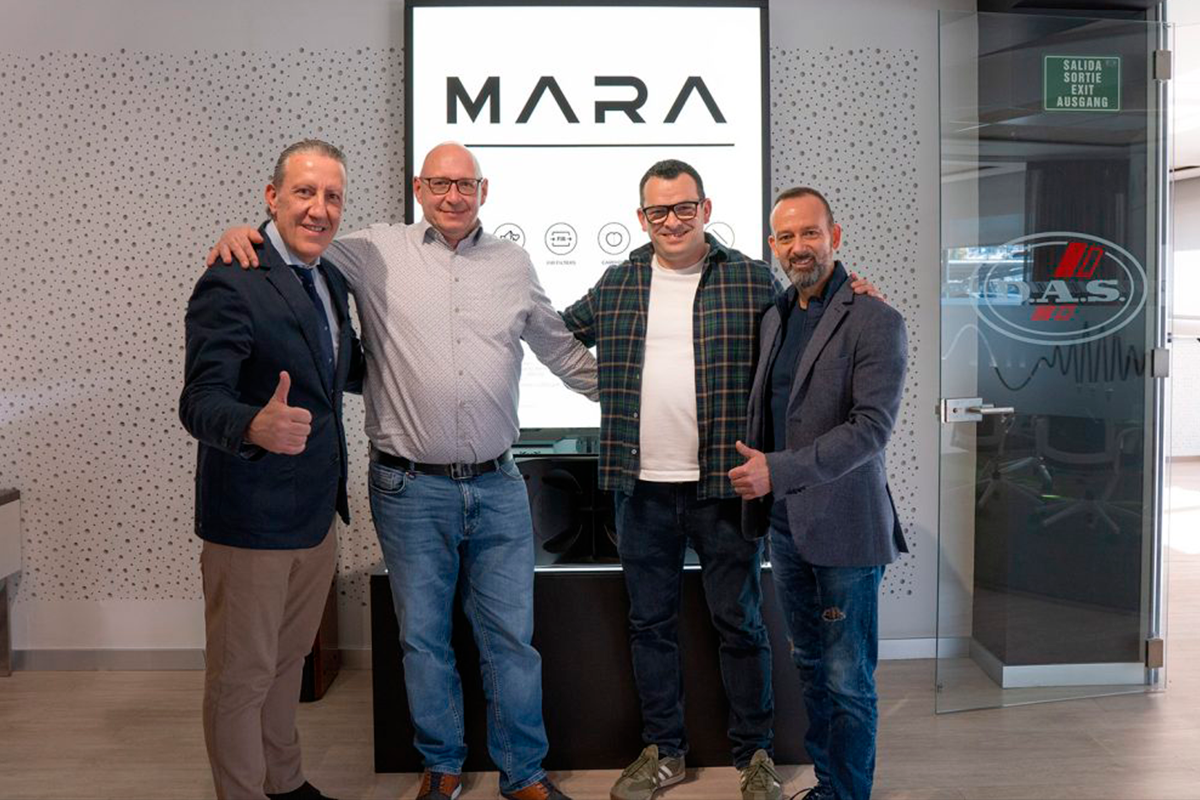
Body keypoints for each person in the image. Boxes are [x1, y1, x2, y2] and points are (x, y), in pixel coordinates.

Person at [206, 142, 594, 800]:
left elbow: (562, 353)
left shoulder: (514, 263)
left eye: (465, 184)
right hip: (409, 488)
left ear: (484, 191)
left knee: (511, 640)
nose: (452, 195)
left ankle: (523, 774)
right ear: (419, 188)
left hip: (500, 484)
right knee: (422, 639)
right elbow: (294, 244)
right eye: (439, 183)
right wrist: (242, 232)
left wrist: (641, 394)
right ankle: (442, 766)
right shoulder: (372, 250)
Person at [559, 161, 878, 800]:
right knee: (650, 625)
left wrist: (857, 295)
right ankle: (665, 751)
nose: (672, 221)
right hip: (639, 489)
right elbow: (554, 332)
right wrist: (604, 388)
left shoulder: (751, 278)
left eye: (684, 208)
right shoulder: (618, 283)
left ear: (705, 210)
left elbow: (813, 318)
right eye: (658, 211)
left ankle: (754, 754)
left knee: (741, 625)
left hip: (725, 488)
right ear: (642, 218)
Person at [180, 139, 363, 800]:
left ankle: (284, 783)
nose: (319, 208)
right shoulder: (232, 277)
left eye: (332, 196)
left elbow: (343, 371)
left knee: (288, 665)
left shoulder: (329, 278)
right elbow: (200, 400)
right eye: (305, 192)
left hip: (313, 515)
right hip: (251, 519)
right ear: (273, 197)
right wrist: (253, 425)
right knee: (242, 676)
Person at [731, 187, 908, 800]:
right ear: (773, 245)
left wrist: (777, 471)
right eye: (785, 237)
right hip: (786, 527)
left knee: (848, 681)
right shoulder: (775, 316)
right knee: (810, 665)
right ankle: (830, 786)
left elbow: (870, 429)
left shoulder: (876, 319)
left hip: (845, 529)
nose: (798, 246)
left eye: (809, 233)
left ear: (834, 237)